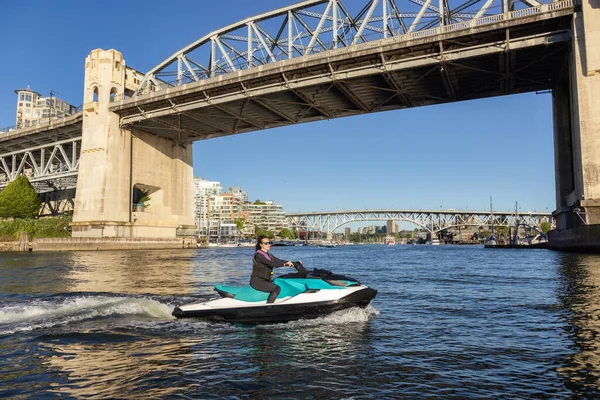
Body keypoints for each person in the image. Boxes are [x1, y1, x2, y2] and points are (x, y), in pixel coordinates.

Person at [250, 235, 302, 304]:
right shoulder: (258, 256)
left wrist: (293, 262)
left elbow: (278, 261)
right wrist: (285, 264)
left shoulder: (269, 255)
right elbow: (273, 264)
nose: (268, 245)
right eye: (266, 243)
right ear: (260, 244)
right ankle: (269, 307)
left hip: (265, 279)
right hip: (257, 281)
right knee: (276, 288)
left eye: (269, 243)